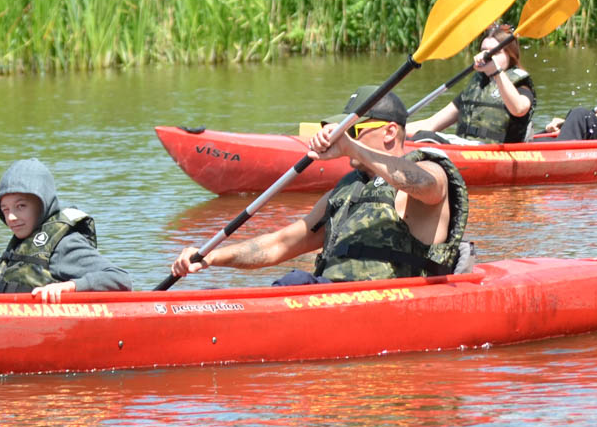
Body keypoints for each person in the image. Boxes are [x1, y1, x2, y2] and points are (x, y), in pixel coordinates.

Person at [168, 86, 471, 287]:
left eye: (351, 130)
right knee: (295, 280)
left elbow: (425, 185)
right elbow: (282, 243)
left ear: (390, 132)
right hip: (327, 298)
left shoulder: (428, 171)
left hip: (389, 303)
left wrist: (354, 149)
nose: (342, 138)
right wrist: (211, 257)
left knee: (296, 282)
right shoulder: (343, 193)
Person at [0, 159, 134, 300]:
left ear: (42, 205)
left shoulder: (64, 245)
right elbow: (4, 286)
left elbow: (120, 278)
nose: (11, 217)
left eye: (20, 206)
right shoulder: (21, 243)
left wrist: (68, 287)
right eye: (5, 210)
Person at [409, 23, 537, 144]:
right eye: (483, 51)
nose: (486, 56)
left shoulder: (521, 85)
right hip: (467, 149)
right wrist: (395, 127)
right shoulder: (476, 87)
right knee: (422, 136)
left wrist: (496, 71)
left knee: (426, 138)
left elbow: (519, 109)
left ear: (510, 55)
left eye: (494, 53)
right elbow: (432, 124)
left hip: (499, 153)